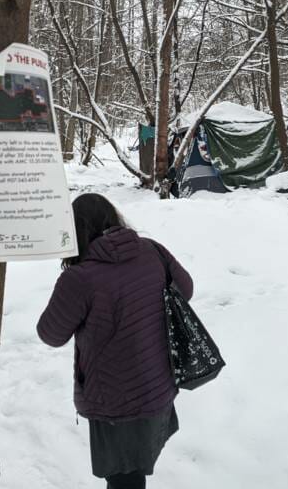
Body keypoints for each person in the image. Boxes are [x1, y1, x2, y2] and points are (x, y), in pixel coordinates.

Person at [37, 193, 193, 489]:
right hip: (157, 384)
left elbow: (51, 334)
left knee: (124, 478)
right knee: (134, 471)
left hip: (113, 400)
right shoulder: (152, 251)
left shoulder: (80, 278)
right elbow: (186, 289)